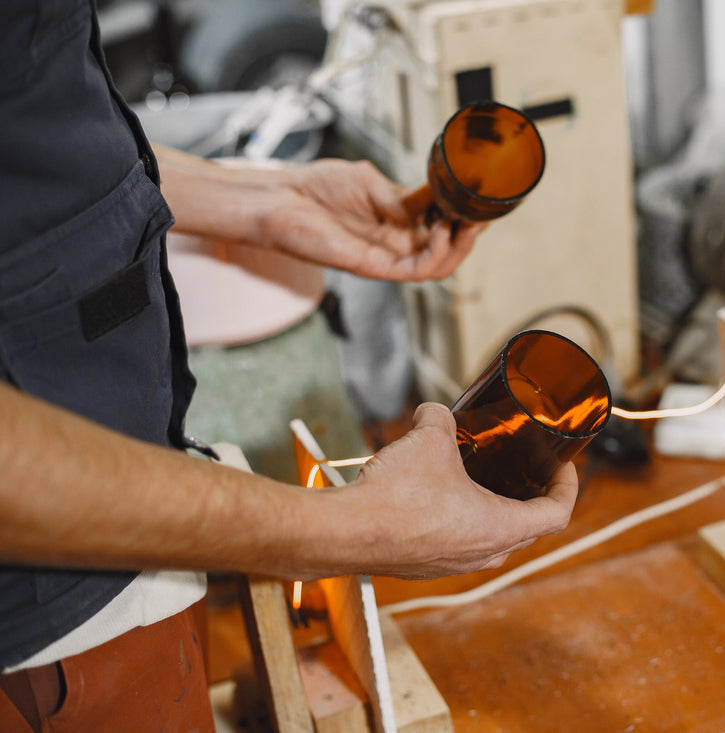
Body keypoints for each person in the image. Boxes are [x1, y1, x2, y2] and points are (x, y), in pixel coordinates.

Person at [0, 1, 579, 730]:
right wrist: (349, 532)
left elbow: (31, 126)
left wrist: (262, 197)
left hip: (127, 538)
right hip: (40, 631)